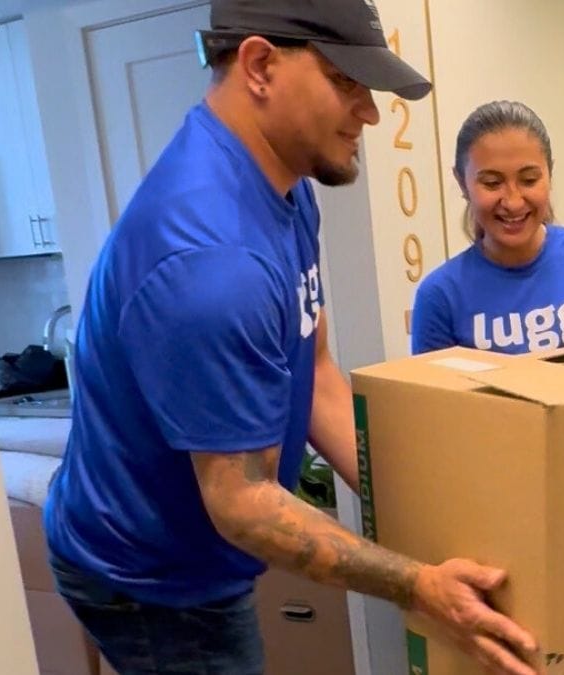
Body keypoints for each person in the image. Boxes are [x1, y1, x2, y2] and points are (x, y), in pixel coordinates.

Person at [43, 2, 536, 674]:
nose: (368, 112)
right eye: (345, 82)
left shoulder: (285, 186)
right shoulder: (212, 264)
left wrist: (419, 513)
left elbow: (318, 369)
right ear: (259, 66)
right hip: (147, 574)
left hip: (194, 529)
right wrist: (417, 584)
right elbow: (245, 505)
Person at [410, 100, 564, 355]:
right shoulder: (440, 296)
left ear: (550, 174)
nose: (513, 202)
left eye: (529, 180)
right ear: (462, 184)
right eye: (492, 183)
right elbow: (429, 393)